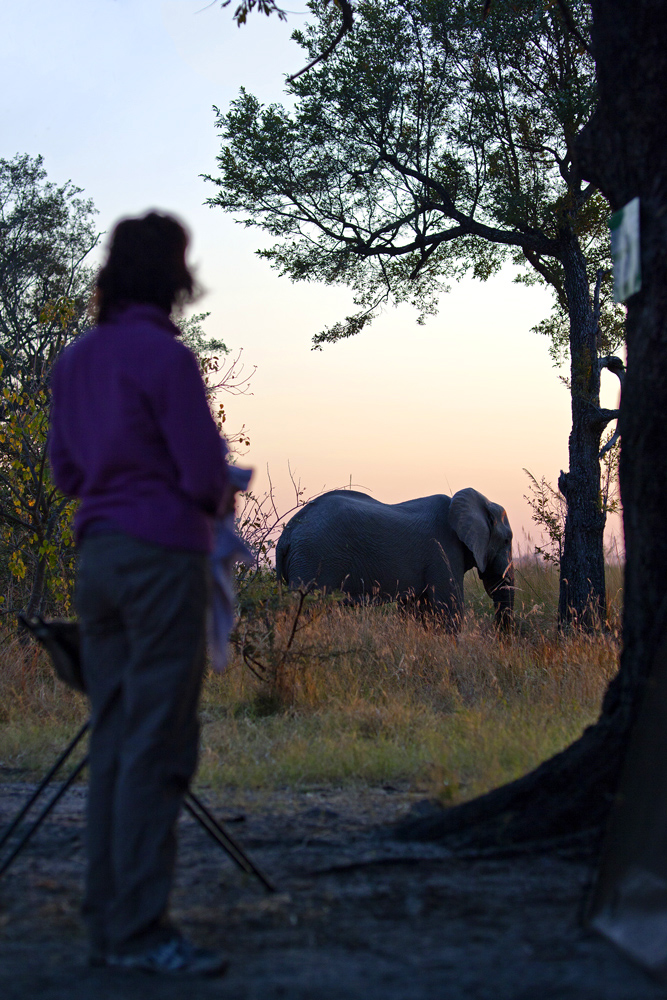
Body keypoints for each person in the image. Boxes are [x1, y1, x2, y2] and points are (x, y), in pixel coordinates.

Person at [49, 211, 231, 976]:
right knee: (156, 745)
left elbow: (64, 475)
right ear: (172, 275)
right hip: (162, 562)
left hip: (98, 563)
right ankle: (140, 931)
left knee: (117, 740)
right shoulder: (166, 359)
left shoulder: (74, 361)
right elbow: (202, 479)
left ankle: (108, 925)